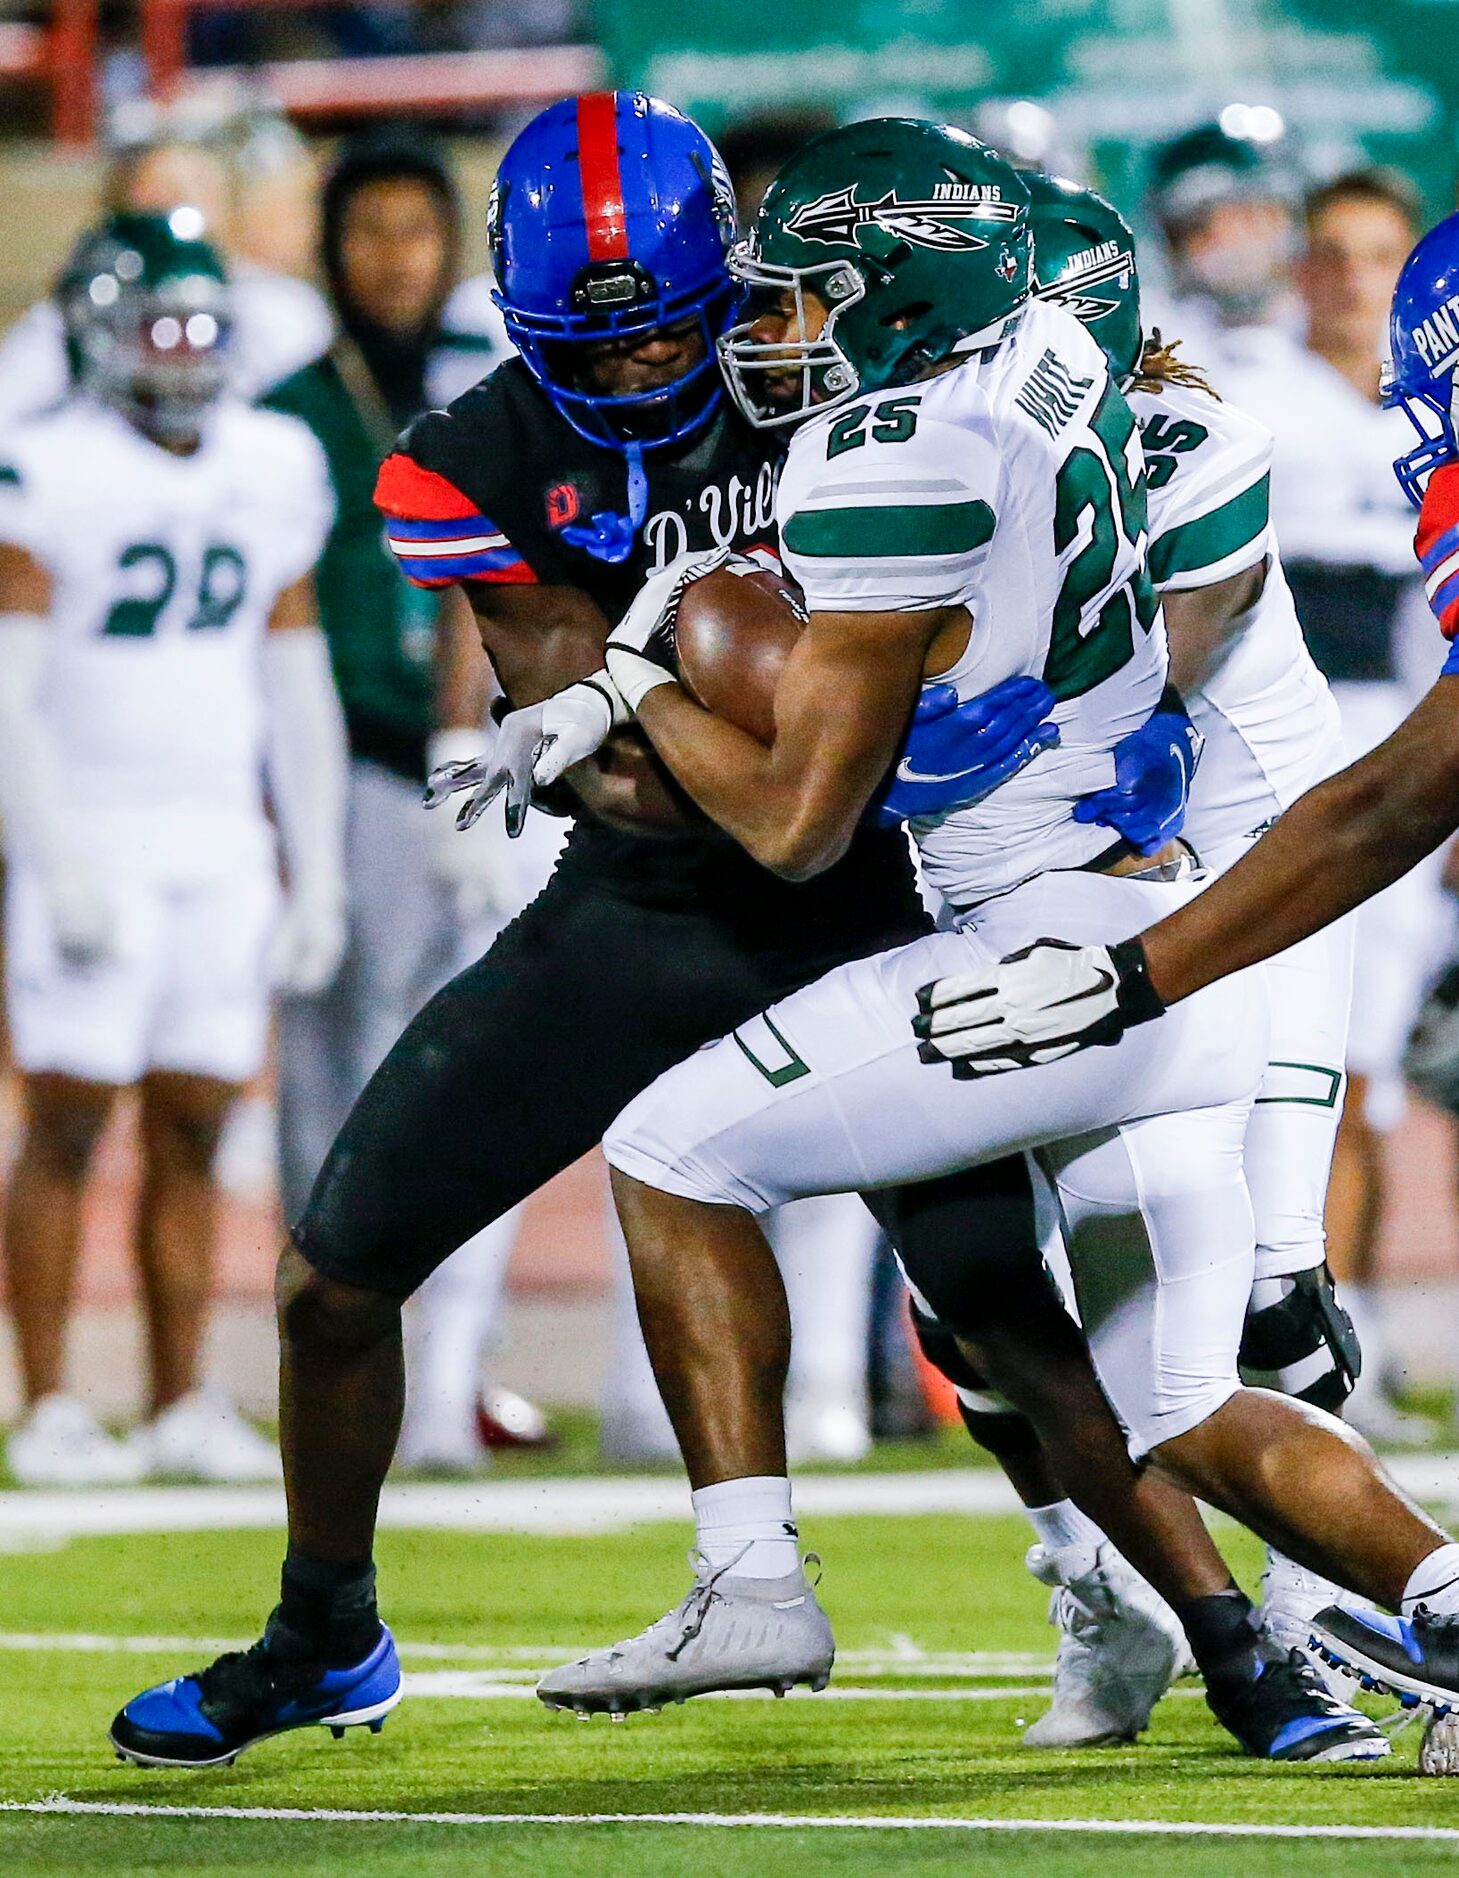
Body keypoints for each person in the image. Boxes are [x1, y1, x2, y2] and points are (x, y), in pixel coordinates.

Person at [108, 98, 1349, 1772]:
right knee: (333, 1276)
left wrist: (772, 700)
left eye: (674, 331)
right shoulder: (469, 455)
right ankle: (325, 1626)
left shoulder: (855, 376)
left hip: (877, 892)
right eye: (585, 345)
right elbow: (590, 757)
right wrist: (734, 703)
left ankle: (1229, 1639)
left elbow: (1106, 432)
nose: (634, 373)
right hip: (656, 902)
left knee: (993, 1298)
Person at [551, 119, 1459, 1735]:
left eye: (806, 298)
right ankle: (1413, 1605)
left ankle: (750, 1572)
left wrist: (636, 682)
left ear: (910, 299)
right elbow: (1051, 339)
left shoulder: (886, 453)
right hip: (1164, 930)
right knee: (1173, 1392)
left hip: (1100, 948)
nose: (775, 331)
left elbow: (791, 824)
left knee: (670, 1147)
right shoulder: (1058, 377)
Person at [911, 207, 1459, 1775]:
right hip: (1071, 879)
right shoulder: (897, 449)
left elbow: (1336, 795)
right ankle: (1107, 1583)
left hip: (1240, 870)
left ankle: (1334, 1613)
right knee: (977, 1287)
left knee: (1262, 1297)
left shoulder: (1184, 437)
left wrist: (1125, 975)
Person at [0, 212, 345, 1486]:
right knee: (69, 1120)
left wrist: (315, 868)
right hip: (92, 821)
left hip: (214, 832)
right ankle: (43, 1402)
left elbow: (293, 672)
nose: (182, 346)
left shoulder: (270, 458)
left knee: (198, 1120)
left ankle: (180, 1396)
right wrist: (53, 853)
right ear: (96, 328)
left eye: (202, 321)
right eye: (158, 320)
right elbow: (7, 690)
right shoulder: (47, 467)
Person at [262, 128, 550, 1474]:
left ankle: (444, 1376)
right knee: (326, 1083)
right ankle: (332, 1348)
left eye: (415, 230)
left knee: (459, 1071)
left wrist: (463, 751)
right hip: (324, 763)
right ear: (328, 248)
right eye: (367, 230)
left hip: (453, 763)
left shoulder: (483, 389)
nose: (392, 257)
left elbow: (482, 588)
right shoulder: (286, 409)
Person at [1217, 169, 1438, 1440]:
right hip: (1277, 753)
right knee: (1280, 1060)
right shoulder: (1253, 397)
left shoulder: (1430, 411)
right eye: (1336, 254)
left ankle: (1337, 1338)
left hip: (1414, 759)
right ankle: (1273, 1336)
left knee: (1368, 1075)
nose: (1358, 281)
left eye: (1381, 257)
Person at [0, 128, 332, 429]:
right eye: (161, 192)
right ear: (119, 212)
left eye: (197, 187)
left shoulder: (286, 308)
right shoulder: (72, 315)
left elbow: (317, 421)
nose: (180, 204)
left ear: (229, 210)